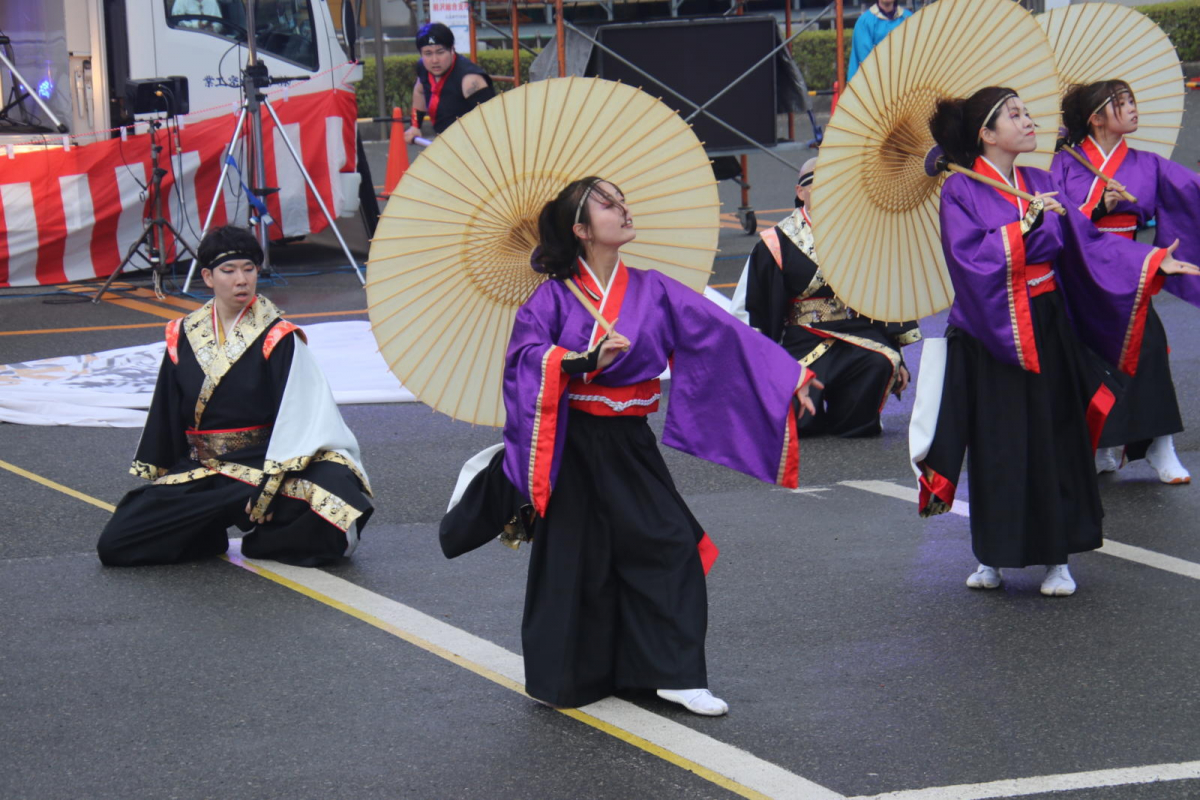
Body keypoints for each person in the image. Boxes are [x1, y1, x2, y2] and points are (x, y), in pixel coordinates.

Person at [440, 177, 821, 715]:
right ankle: (568, 677)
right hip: (573, 440)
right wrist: (580, 361)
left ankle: (675, 673)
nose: (623, 210)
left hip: (628, 442)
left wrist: (787, 376)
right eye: (607, 205)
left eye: (621, 201)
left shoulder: (652, 289)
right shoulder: (550, 298)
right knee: (576, 561)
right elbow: (524, 361)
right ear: (580, 230)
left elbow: (719, 334)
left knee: (669, 545)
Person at [912, 87, 1200, 596]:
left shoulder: (1041, 180)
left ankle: (1057, 559)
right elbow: (970, 262)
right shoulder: (960, 190)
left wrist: (1151, 262)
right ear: (987, 133)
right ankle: (992, 556)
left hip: (1045, 322)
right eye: (1015, 115)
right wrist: (1026, 225)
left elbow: (1086, 243)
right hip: (989, 330)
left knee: (1054, 436)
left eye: (1027, 112)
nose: (1028, 122)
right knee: (997, 443)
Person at [96, 226, 373, 568]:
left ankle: (262, 535)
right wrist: (165, 485)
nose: (241, 280)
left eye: (249, 269)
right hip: (206, 468)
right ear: (208, 277)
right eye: (229, 271)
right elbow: (167, 413)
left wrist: (272, 482)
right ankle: (205, 529)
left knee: (334, 496)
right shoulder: (182, 333)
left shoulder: (278, 336)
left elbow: (305, 417)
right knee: (117, 543)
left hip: (268, 463)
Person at [1052, 79, 1200, 484]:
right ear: (1096, 118)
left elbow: (1192, 192)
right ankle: (1100, 444)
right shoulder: (1064, 163)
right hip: (1082, 273)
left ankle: (1160, 445)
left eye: (1132, 100)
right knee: (1089, 361)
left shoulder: (1147, 164)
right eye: (1121, 103)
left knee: (1148, 348)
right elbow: (1055, 218)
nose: (1133, 108)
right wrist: (1097, 205)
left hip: (1130, 270)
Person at [732, 157, 921, 437]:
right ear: (801, 192)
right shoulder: (777, 241)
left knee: (880, 363)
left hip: (858, 334)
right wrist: (762, 366)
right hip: (803, 340)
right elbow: (755, 308)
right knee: (801, 427)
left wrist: (899, 357)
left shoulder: (863, 233)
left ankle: (853, 417)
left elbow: (885, 296)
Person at [404, 23, 496, 144]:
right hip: (445, 143)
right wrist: (415, 126)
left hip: (475, 146)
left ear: (452, 49)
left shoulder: (470, 79)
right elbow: (419, 91)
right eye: (428, 53)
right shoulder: (423, 67)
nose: (434, 60)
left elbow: (491, 121)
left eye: (440, 52)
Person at [847, 1, 912, 83]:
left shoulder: (909, 18)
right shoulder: (864, 22)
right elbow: (866, 60)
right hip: (875, 83)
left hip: (905, 81)